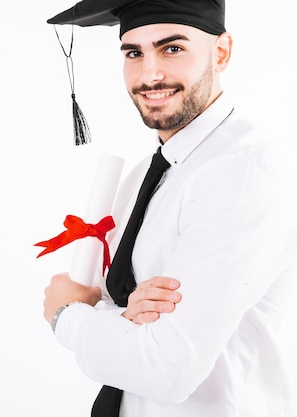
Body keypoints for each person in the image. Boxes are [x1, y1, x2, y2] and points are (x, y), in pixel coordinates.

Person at [41, 0, 297, 416]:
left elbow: (167, 367)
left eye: (172, 48)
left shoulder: (242, 172)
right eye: (134, 52)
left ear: (221, 52)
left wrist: (67, 316)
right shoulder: (147, 174)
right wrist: (124, 315)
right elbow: (113, 309)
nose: (149, 74)